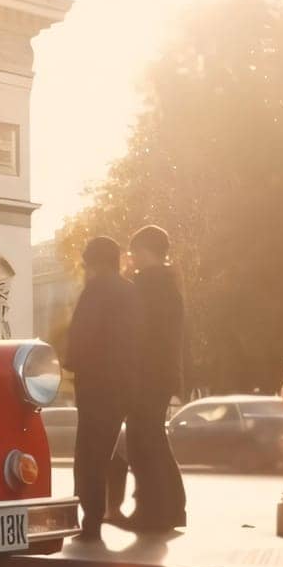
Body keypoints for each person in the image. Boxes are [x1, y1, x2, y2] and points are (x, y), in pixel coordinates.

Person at [65, 236, 138, 540]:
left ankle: (90, 519)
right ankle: (113, 508)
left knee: (88, 453)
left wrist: (72, 363)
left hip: (96, 382)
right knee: (111, 449)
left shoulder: (95, 291)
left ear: (94, 262)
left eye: (86, 261)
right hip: (124, 383)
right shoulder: (131, 293)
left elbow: (82, 333)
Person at [116, 225, 187, 530]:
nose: (131, 259)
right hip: (162, 373)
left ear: (144, 251)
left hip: (145, 374)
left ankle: (150, 511)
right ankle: (171, 508)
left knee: (142, 441)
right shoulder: (170, 285)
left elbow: (136, 334)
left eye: (133, 252)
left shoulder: (146, 285)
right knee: (154, 439)